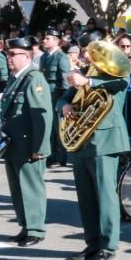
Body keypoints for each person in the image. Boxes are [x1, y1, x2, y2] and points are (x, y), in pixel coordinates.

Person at [58, 35, 131, 260]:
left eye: (90, 52)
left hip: (105, 140)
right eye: (85, 51)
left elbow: (120, 84)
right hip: (81, 141)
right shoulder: (85, 72)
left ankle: (108, 245)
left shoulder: (117, 73)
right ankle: (92, 243)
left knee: (105, 194)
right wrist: (65, 106)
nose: (86, 56)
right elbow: (63, 98)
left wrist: (87, 83)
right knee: (86, 196)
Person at [0, 37, 52, 246]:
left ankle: (36, 229)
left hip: (29, 145)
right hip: (13, 144)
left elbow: (43, 117)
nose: (9, 58)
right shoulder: (16, 78)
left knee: (31, 188)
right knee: (17, 189)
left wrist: (40, 147)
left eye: (13, 55)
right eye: (8, 54)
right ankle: (25, 225)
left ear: (27, 56)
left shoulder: (34, 78)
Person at [39, 28, 72, 166]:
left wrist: (64, 100)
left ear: (56, 41)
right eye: (45, 38)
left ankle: (61, 156)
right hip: (46, 94)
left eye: (48, 38)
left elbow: (65, 81)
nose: (44, 40)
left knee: (58, 126)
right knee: (48, 125)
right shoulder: (44, 57)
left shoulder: (61, 57)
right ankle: (51, 154)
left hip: (57, 95)